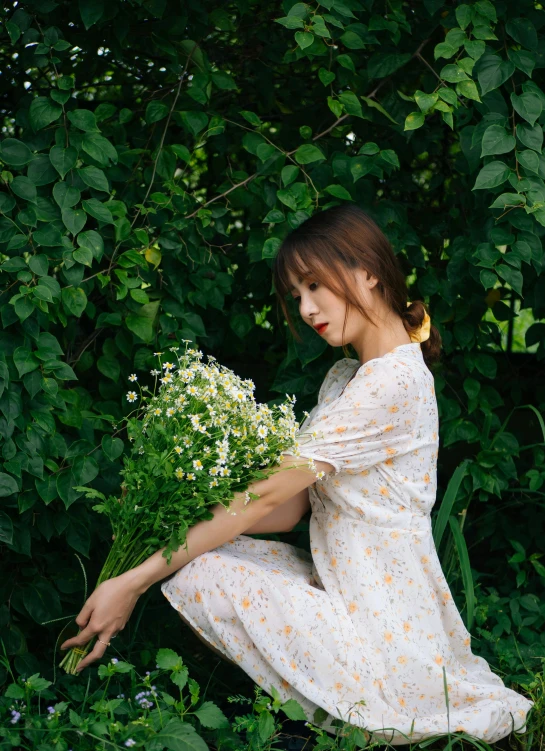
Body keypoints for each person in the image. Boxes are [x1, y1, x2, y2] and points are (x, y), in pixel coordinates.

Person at [61, 204, 533, 746]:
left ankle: (328, 719)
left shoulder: (392, 384)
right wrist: (173, 508)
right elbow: (293, 508)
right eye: (296, 295)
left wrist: (130, 582)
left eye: (314, 286)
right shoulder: (347, 375)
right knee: (206, 555)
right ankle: (315, 707)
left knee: (199, 572)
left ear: (368, 272)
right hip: (341, 580)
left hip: (384, 613)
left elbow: (267, 499)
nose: (307, 309)